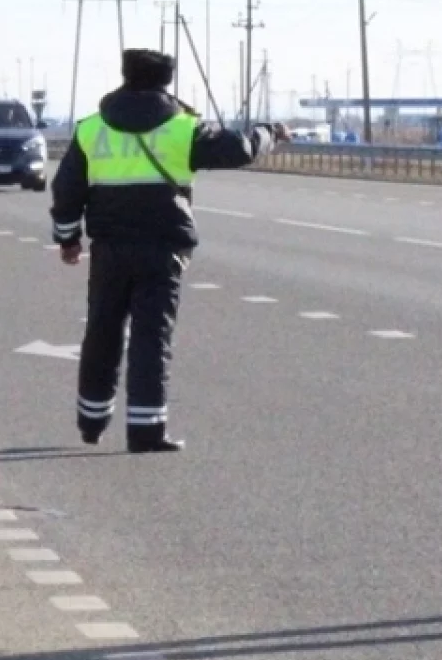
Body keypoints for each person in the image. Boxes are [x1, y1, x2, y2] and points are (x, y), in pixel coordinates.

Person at [49, 48, 291, 453]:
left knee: (102, 332)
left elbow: (67, 188)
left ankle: (91, 422)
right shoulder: (183, 128)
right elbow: (239, 149)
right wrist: (269, 132)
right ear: (166, 82)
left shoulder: (91, 129)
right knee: (150, 338)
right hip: (162, 248)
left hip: (109, 248)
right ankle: (146, 431)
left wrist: (68, 238)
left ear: (124, 76)